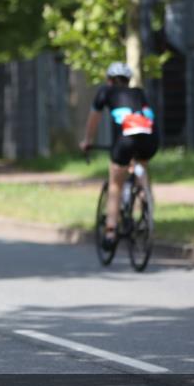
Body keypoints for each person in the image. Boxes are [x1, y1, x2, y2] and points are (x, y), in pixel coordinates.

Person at [79, 62, 158, 251]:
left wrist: (87, 141)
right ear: (128, 81)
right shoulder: (139, 93)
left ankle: (111, 231)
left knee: (115, 184)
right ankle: (145, 204)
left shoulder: (105, 92)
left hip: (125, 140)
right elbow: (149, 117)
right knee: (141, 168)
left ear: (109, 80)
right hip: (150, 139)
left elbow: (93, 120)